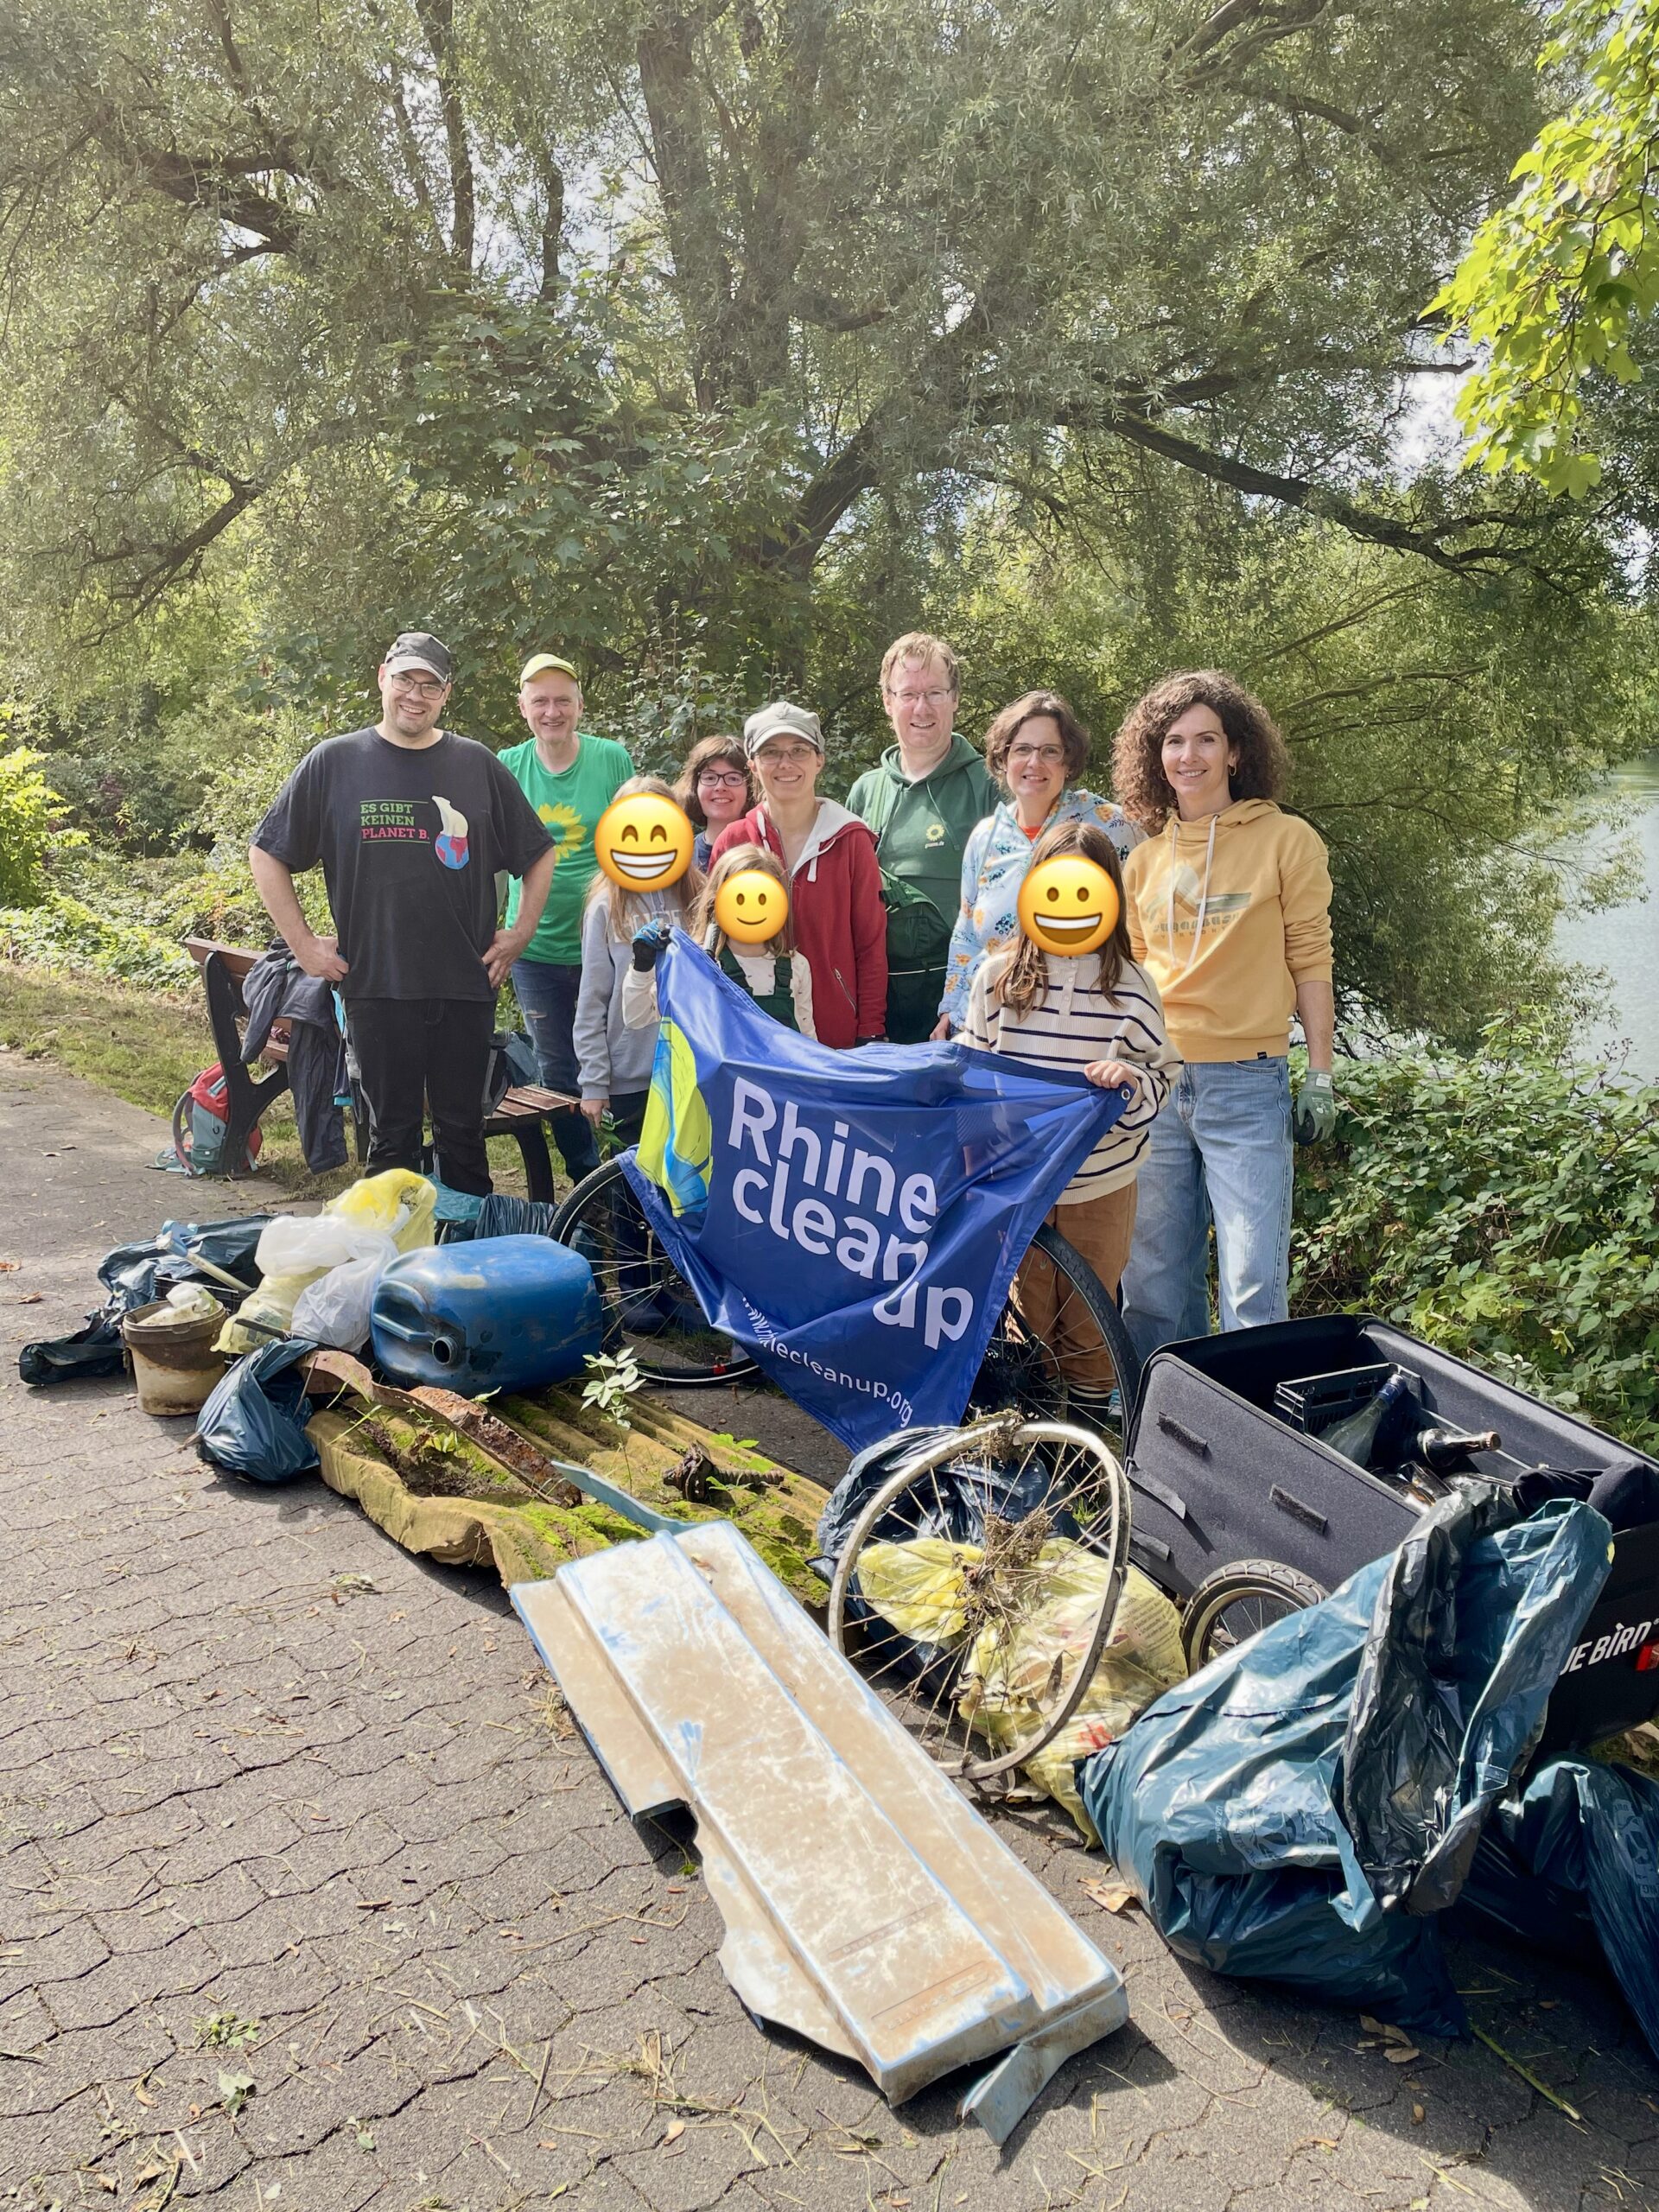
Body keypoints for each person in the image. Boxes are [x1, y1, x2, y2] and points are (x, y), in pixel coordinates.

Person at [248, 629, 555, 1196]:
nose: (415, 695)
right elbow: (267, 852)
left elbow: (539, 853)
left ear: (446, 694)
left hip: (466, 983)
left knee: (464, 1134)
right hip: (377, 986)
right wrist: (303, 945)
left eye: (429, 685)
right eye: (406, 680)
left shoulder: (475, 764)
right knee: (391, 1140)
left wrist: (520, 932)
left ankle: (467, 1271)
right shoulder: (335, 763)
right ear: (382, 678)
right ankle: (392, 1269)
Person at [1111, 669, 1335, 1363]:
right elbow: (1136, 986)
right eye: (1173, 741)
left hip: (1247, 1084)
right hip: (1158, 1088)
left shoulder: (1287, 841)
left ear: (1235, 752)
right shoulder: (1143, 864)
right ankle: (1163, 1431)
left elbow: (1311, 962)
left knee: (1252, 1283)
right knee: (1152, 1287)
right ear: (1156, 757)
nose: (1189, 755)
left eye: (1206, 739)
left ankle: (1253, 1436)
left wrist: (1321, 1075)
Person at [958, 817, 1177, 1408]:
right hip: (1020, 1180)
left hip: (1101, 1182)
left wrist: (1129, 1083)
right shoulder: (995, 980)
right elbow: (973, 1076)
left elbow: (1163, 1079)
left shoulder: (1133, 989)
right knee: (1025, 1309)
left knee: (1090, 1316)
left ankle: (1084, 1440)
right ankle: (1023, 1430)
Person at [499, 652, 634, 1186]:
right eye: (540, 702)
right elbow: (483, 849)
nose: (551, 712)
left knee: (620, 1065)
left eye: (562, 701)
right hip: (534, 950)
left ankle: (628, 1177)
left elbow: (636, 841)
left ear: (580, 705)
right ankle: (587, 1182)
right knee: (559, 1071)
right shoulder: (508, 765)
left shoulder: (610, 759)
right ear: (523, 708)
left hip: (609, 944)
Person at [936, 690, 1141, 1036]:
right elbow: (966, 932)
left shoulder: (1110, 825)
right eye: (1022, 750)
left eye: (1050, 751)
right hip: (986, 1022)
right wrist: (950, 1011)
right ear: (1003, 759)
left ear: (1069, 761)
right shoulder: (985, 838)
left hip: (1075, 1027)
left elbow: (1138, 923)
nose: (1035, 763)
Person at [708, 702, 887, 1048]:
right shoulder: (733, 840)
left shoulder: (851, 840)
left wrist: (871, 1030)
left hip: (835, 1037)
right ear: (753, 766)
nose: (785, 763)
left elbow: (870, 945)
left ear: (819, 759)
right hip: (749, 1037)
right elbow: (712, 941)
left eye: (799, 751)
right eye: (771, 752)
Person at [847, 632, 995, 1042]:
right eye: (908, 694)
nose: (921, 708)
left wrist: (964, 998)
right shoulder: (865, 791)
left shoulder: (990, 785)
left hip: (966, 993)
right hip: (880, 993)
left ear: (955, 698)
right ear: (887, 701)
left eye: (934, 693)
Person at [573, 776, 706, 1148]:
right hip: (632, 1076)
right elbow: (593, 998)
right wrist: (595, 1080)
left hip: (693, 1069)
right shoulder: (605, 905)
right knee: (632, 1195)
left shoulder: (699, 894)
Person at [626, 845, 817, 1038]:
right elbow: (637, 1017)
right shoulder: (695, 964)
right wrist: (641, 967)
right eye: (740, 898)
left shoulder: (796, 966)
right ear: (717, 901)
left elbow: (808, 1042)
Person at [674, 735, 753, 870]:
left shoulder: (765, 852)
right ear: (695, 786)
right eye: (710, 777)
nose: (720, 787)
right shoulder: (681, 859)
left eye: (733, 778)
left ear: (750, 788)